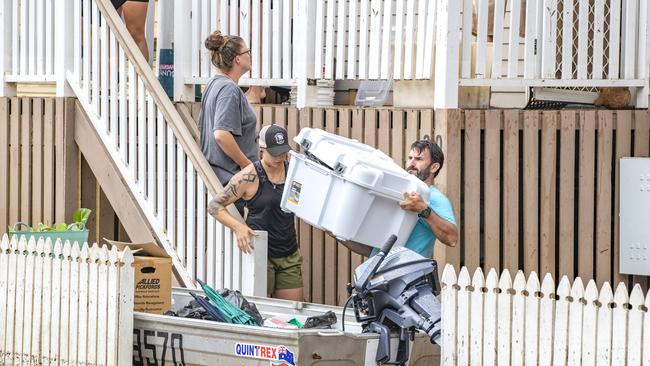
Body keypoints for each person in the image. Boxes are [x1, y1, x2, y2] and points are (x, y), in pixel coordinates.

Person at [207, 125, 304, 301]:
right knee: (262, 311)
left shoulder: (294, 173)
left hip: (288, 251)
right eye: (274, 153)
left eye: (283, 152)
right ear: (262, 150)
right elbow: (214, 206)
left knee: (292, 314)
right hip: (260, 252)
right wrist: (238, 227)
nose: (279, 157)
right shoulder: (248, 177)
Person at [342, 138, 458, 258]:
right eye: (410, 158)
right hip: (380, 273)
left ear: (434, 167)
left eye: (418, 159)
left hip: (411, 274)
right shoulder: (397, 191)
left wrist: (423, 210)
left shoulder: (435, 198)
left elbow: (452, 239)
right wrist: (335, 230)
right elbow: (374, 251)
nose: (411, 164)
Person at [199, 31, 258, 215]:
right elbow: (221, 134)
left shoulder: (214, 84)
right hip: (230, 181)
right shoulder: (228, 89)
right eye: (247, 51)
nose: (250, 55)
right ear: (237, 59)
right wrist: (247, 165)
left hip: (221, 179)